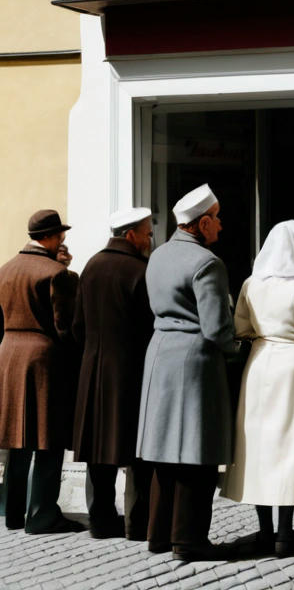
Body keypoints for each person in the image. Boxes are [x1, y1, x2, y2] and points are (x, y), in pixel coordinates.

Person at [220, 220, 294, 557]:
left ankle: (264, 532)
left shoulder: (250, 284)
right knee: (291, 447)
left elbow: (240, 328)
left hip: (260, 365)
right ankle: (286, 533)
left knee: (258, 447)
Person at [136, 184, 237, 562]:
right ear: (204, 222)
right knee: (197, 451)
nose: (222, 226)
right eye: (218, 219)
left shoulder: (158, 255)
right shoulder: (207, 263)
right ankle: (189, 540)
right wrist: (238, 349)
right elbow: (216, 328)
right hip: (194, 361)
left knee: (165, 453)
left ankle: (159, 534)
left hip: (159, 354)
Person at [71, 207, 155, 540]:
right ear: (131, 234)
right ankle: (137, 523)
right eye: (147, 233)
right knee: (137, 448)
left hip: (93, 366)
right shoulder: (140, 270)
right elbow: (149, 325)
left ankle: (101, 521)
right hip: (131, 368)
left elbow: (78, 324)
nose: (150, 238)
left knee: (97, 446)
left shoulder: (91, 266)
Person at [0, 209, 84, 533]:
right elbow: (66, 328)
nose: (62, 239)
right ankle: (43, 513)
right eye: (60, 234)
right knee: (48, 438)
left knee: (17, 439)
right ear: (49, 237)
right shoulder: (57, 274)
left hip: (8, 356)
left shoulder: (5, 270)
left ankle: (12, 512)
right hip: (44, 359)